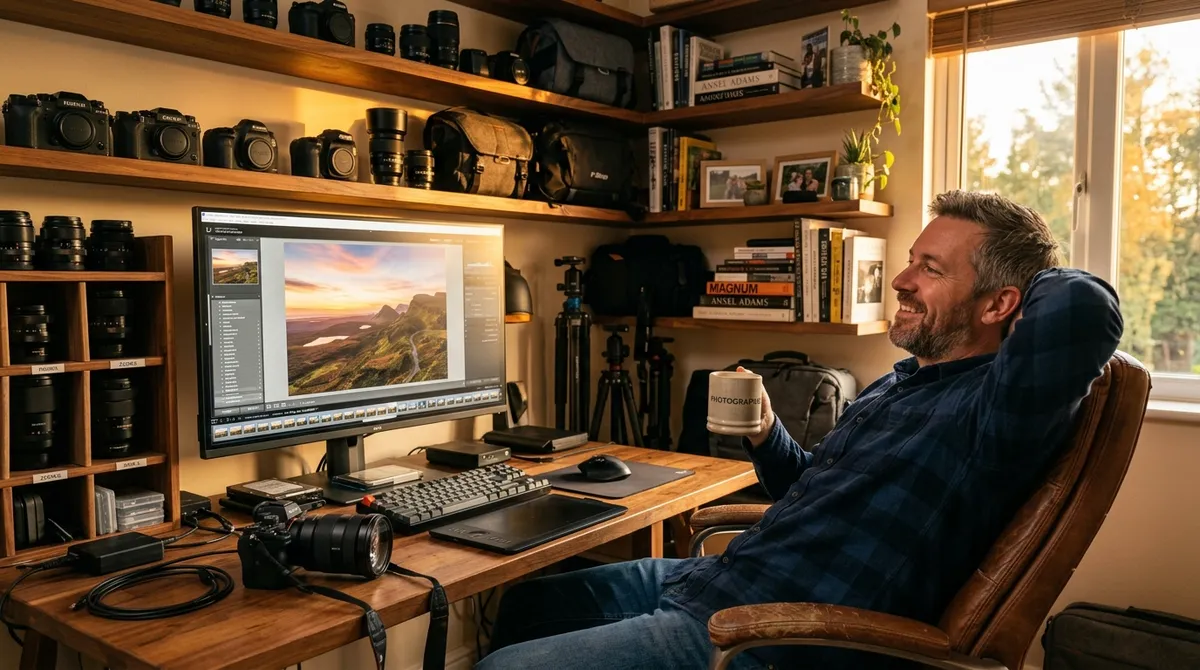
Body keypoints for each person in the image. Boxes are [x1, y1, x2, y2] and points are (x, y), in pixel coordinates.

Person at [475, 191, 1123, 670]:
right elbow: (809, 489)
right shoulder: (900, 384)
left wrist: (1029, 269)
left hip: (773, 638)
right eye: (910, 261)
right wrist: (765, 434)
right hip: (718, 583)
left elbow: (1085, 305)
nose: (900, 279)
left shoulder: (995, 412)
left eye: (931, 267)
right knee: (527, 603)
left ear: (1000, 304)